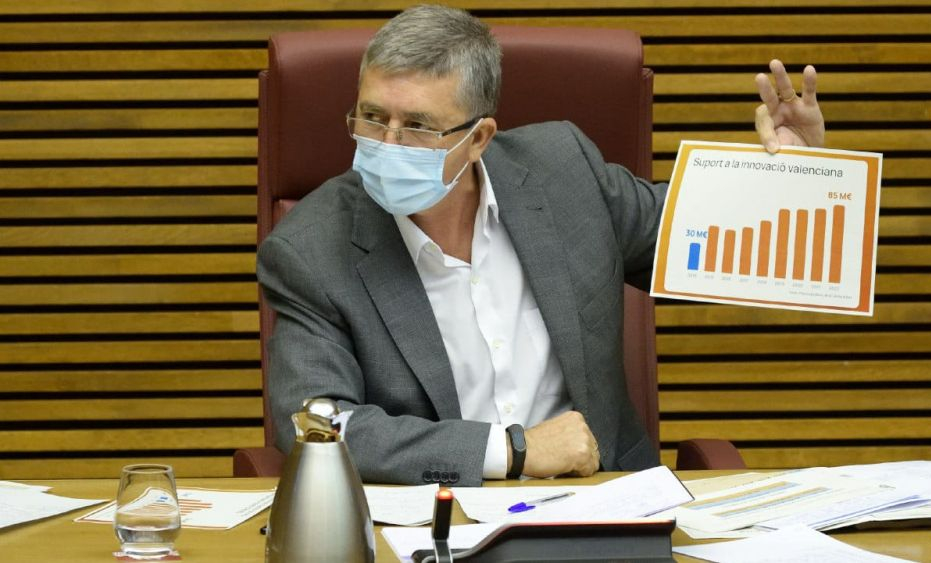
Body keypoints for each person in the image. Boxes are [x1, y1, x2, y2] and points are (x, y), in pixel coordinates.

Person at [257, 4, 825, 485]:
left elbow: (713, 244)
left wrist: (795, 178)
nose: (388, 143)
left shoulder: (563, 173)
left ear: (479, 137)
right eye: (372, 117)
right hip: (439, 524)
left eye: (419, 127)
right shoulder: (311, 250)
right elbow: (318, 427)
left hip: (604, 504)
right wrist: (513, 451)